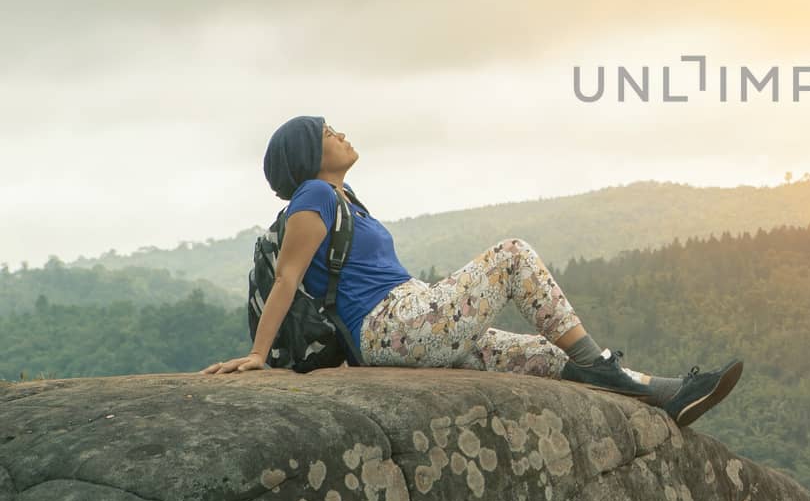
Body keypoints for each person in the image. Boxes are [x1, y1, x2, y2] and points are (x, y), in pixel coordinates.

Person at [201, 115, 742, 428]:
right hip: (394, 327)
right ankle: (602, 366)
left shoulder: (345, 199)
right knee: (511, 256)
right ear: (307, 154)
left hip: (411, 318)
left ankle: (668, 394)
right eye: (328, 132)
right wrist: (257, 356)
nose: (341, 134)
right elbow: (288, 279)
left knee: (542, 354)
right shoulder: (313, 195)